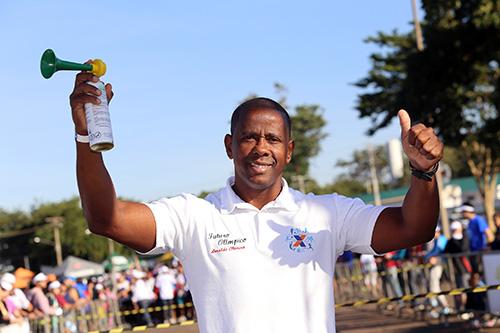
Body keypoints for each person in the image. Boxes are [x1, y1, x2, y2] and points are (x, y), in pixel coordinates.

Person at [69, 73, 444, 333]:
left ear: (289, 150)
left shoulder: (327, 213)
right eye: (249, 138)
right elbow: (107, 219)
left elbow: (415, 228)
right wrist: (87, 137)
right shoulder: (194, 216)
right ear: (229, 146)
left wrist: (423, 173)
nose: (261, 148)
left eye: (272, 139)